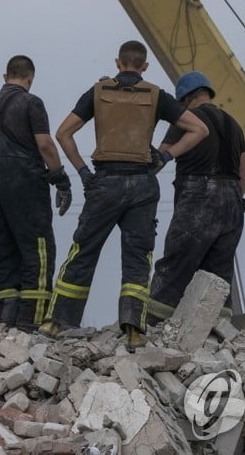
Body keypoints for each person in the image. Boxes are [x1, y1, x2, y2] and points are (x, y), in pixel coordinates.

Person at [39, 40, 208, 350]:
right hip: (143, 184)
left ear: (118, 63)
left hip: (105, 183)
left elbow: (63, 133)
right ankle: (133, 329)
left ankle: (56, 322)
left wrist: (82, 172)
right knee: (137, 257)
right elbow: (199, 130)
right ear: (144, 66)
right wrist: (167, 157)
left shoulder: (98, 92)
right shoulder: (157, 95)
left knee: (83, 251)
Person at [146, 71, 245, 326]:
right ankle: (218, 332)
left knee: (175, 265)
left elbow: (158, 160)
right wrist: (235, 200)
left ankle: (150, 325)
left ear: (184, 99)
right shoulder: (233, 124)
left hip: (198, 196)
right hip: (233, 201)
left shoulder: (187, 119)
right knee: (218, 275)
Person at [0, 55, 71, 330]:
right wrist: (60, 179)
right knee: (38, 249)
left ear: (6, 77)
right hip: (24, 181)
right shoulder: (32, 102)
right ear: (30, 77)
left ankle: (6, 315)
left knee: (3, 250)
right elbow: (45, 145)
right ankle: (33, 321)